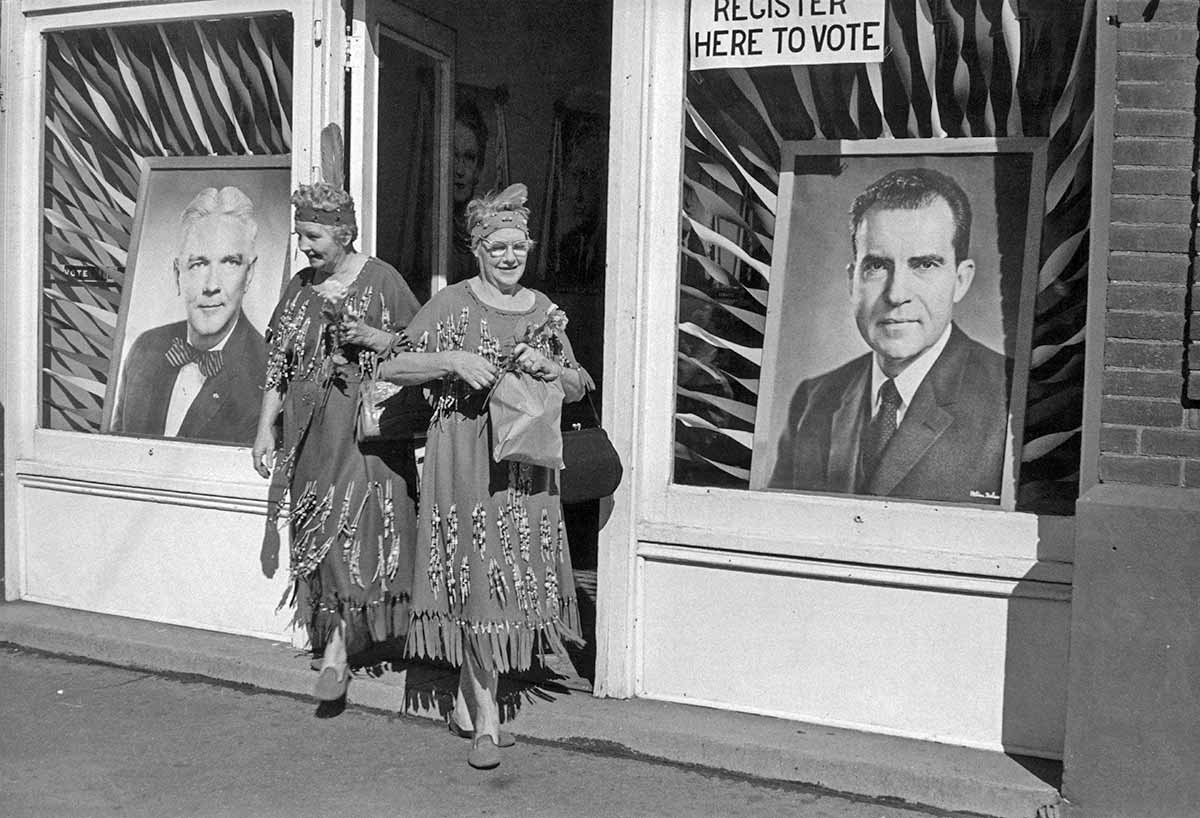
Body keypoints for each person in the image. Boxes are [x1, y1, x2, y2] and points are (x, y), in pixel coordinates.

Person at [378, 183, 589, 770]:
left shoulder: (545, 308)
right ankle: (486, 720)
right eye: (496, 246)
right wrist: (453, 360)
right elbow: (391, 362)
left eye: (518, 245)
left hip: (523, 466)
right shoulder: (450, 305)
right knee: (475, 580)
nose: (508, 256)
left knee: (505, 579)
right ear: (476, 249)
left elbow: (577, 386)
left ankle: (471, 707)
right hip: (464, 461)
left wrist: (549, 365)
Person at [251, 181, 422, 702]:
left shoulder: (383, 280)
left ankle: (339, 654)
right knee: (318, 532)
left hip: (362, 434)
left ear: (345, 233)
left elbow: (419, 348)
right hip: (308, 432)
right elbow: (278, 365)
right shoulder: (300, 285)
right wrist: (264, 428)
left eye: (314, 235)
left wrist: (369, 338)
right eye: (301, 235)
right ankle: (348, 633)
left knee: (352, 530)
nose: (304, 246)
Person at [768, 167, 1008, 505]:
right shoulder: (814, 400)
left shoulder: (1011, 398)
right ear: (853, 281)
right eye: (877, 266)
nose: (896, 294)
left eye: (924, 265)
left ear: (961, 280)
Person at [110, 186, 267, 446]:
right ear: (177, 274)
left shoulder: (268, 372)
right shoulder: (144, 349)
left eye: (229, 263)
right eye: (198, 264)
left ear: (248, 274)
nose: (211, 285)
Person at [449, 99, 489, 284]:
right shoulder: (429, 232)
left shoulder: (486, 230)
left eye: (469, 157)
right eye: (453, 156)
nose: (459, 169)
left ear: (479, 168)